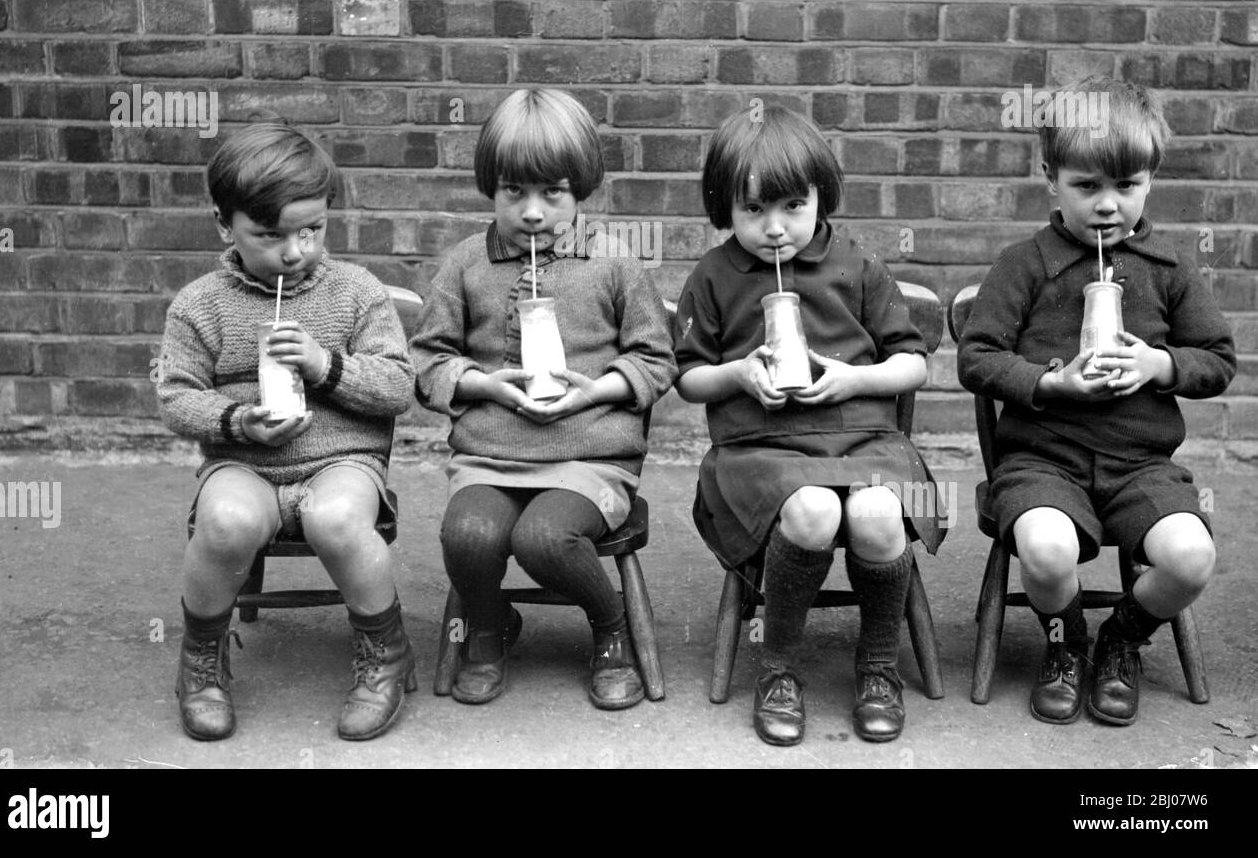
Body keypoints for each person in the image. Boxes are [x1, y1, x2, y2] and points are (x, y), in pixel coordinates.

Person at [958, 78, 1235, 726]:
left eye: (1127, 186)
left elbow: (1217, 359)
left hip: (1141, 466)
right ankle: (1065, 642)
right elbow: (978, 358)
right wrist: (1052, 383)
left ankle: (1123, 637)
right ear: (1050, 178)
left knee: (1191, 556)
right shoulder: (1026, 264)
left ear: (1150, 180)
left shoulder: (1167, 269)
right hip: (1042, 461)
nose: (1109, 206)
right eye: (1087, 186)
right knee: (1047, 549)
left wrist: (1157, 363)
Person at [673, 106, 945, 746]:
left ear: (822, 196)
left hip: (865, 440)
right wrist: (738, 373)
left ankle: (878, 666)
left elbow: (912, 366)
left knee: (879, 513)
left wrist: (856, 379)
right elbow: (687, 378)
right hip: (759, 450)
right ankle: (779, 667)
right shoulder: (714, 276)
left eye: (793, 207)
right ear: (724, 208)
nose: (773, 229)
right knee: (813, 511)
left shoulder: (855, 265)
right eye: (752, 211)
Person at [411, 88, 676, 709]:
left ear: (580, 188)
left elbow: (656, 361)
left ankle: (610, 627)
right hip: (490, 457)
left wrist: (594, 393)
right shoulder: (464, 265)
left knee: (543, 539)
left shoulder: (614, 264)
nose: (532, 212)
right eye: (513, 193)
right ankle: (488, 624)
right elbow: (427, 362)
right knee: (469, 535)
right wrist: (482, 383)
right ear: (490, 189)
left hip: (590, 459)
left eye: (551, 193)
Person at [157, 121, 416, 741]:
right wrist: (239, 422)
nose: (295, 251)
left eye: (312, 230)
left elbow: (398, 388)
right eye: (269, 235)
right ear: (225, 225)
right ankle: (201, 661)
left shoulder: (356, 292)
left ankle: (384, 652)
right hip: (245, 465)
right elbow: (176, 397)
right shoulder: (200, 305)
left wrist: (326, 367)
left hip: (341, 462)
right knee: (225, 523)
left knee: (337, 520)